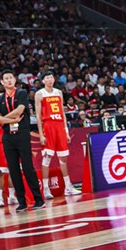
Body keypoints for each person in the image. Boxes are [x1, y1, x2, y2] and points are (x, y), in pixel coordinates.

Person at [0, 70, 45, 212]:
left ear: (14, 80)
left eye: (11, 78)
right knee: (13, 170)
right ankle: (21, 201)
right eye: (6, 79)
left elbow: (19, 110)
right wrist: (11, 120)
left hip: (22, 134)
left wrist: (6, 119)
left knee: (28, 167)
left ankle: (38, 199)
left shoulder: (21, 93)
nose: (9, 80)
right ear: (2, 82)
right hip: (7, 136)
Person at [34, 70, 80, 198]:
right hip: (48, 125)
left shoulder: (59, 92)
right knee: (47, 157)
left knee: (63, 158)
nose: (50, 79)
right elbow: (38, 115)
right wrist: (41, 134)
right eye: (47, 78)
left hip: (60, 125)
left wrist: (66, 131)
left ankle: (68, 187)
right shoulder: (39, 94)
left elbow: (63, 113)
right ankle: (46, 189)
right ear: (43, 81)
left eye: (51, 77)